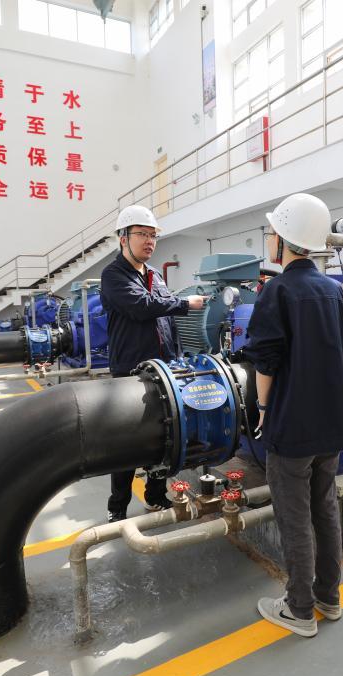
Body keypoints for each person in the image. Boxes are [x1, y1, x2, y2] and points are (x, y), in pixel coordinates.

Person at [244, 193, 343, 637]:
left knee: (294, 517)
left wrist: (265, 408)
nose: (270, 238)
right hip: (332, 425)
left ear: (284, 238)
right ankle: (329, 597)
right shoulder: (334, 291)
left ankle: (299, 609)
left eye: (272, 232)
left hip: (292, 427)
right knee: (325, 509)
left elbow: (265, 362)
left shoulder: (279, 290)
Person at [100, 205, 208, 522]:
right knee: (127, 442)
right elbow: (142, 306)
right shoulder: (113, 275)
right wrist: (185, 304)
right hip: (130, 373)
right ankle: (117, 508)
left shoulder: (155, 275)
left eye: (153, 235)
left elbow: (165, 320)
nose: (149, 241)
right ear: (123, 238)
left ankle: (156, 496)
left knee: (164, 436)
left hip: (164, 371)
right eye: (142, 234)